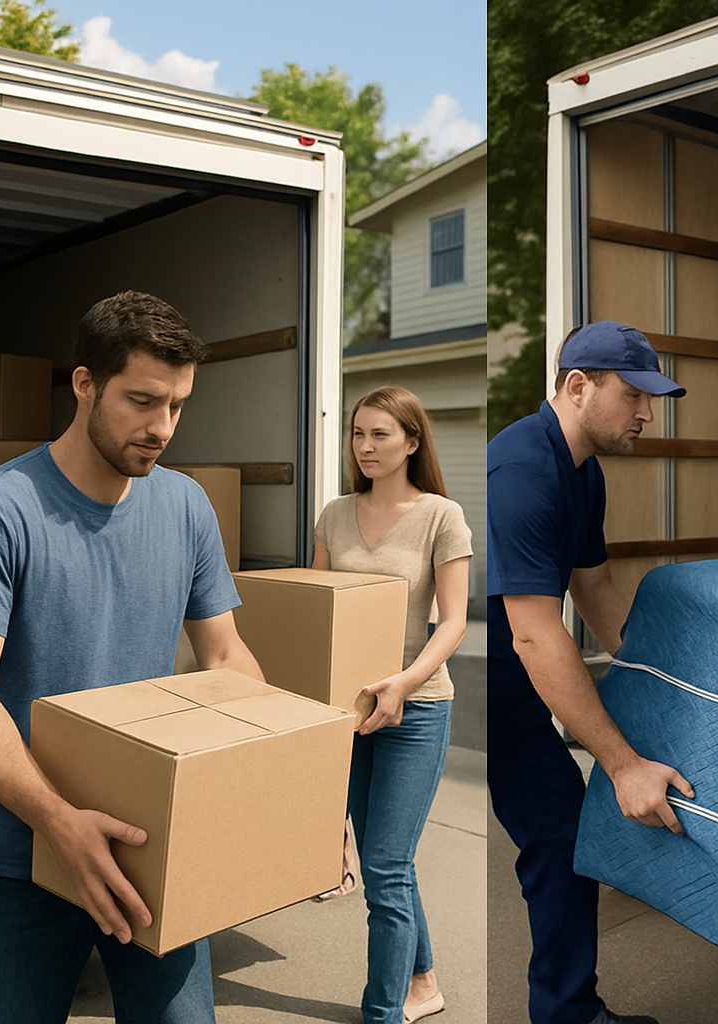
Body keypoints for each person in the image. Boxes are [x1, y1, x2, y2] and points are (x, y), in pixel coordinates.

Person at [0, 291, 264, 1023]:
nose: (161, 426)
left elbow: (227, 655)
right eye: (142, 401)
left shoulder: (188, 506)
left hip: (152, 844)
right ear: (84, 384)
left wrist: (283, 774)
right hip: (20, 856)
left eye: (177, 405)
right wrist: (56, 818)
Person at [487, 320, 695, 1024]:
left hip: (520, 670)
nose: (646, 414)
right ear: (578, 387)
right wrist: (622, 765)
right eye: (635, 395)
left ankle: (567, 1010)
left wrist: (664, 679)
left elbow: (596, 587)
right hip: (491, 683)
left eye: (652, 400)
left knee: (559, 836)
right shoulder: (522, 467)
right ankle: (567, 1012)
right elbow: (536, 634)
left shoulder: (583, 471)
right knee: (556, 832)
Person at [312, 385, 472, 1024]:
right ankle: (423, 981)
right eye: (358, 433)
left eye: (381, 434)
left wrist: (404, 682)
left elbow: (456, 622)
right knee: (388, 863)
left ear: (412, 440)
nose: (366, 446)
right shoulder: (332, 513)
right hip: (351, 712)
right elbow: (317, 607)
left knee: (385, 864)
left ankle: (382, 1012)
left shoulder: (442, 515)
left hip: (417, 708)